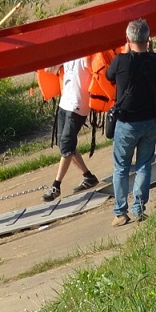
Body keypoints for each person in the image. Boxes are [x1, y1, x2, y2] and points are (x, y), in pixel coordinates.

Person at [106, 18, 156, 226]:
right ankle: (138, 208)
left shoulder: (120, 61)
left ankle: (120, 212)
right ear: (148, 39)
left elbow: (109, 76)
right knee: (144, 165)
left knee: (121, 168)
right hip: (150, 120)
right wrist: (151, 53)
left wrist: (126, 52)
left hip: (125, 123)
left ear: (127, 38)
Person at [42, 54, 101, 202]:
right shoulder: (66, 53)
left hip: (78, 105)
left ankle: (56, 185)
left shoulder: (88, 54)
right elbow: (50, 70)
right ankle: (89, 177)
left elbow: (96, 68)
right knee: (66, 145)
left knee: (67, 144)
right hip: (64, 103)